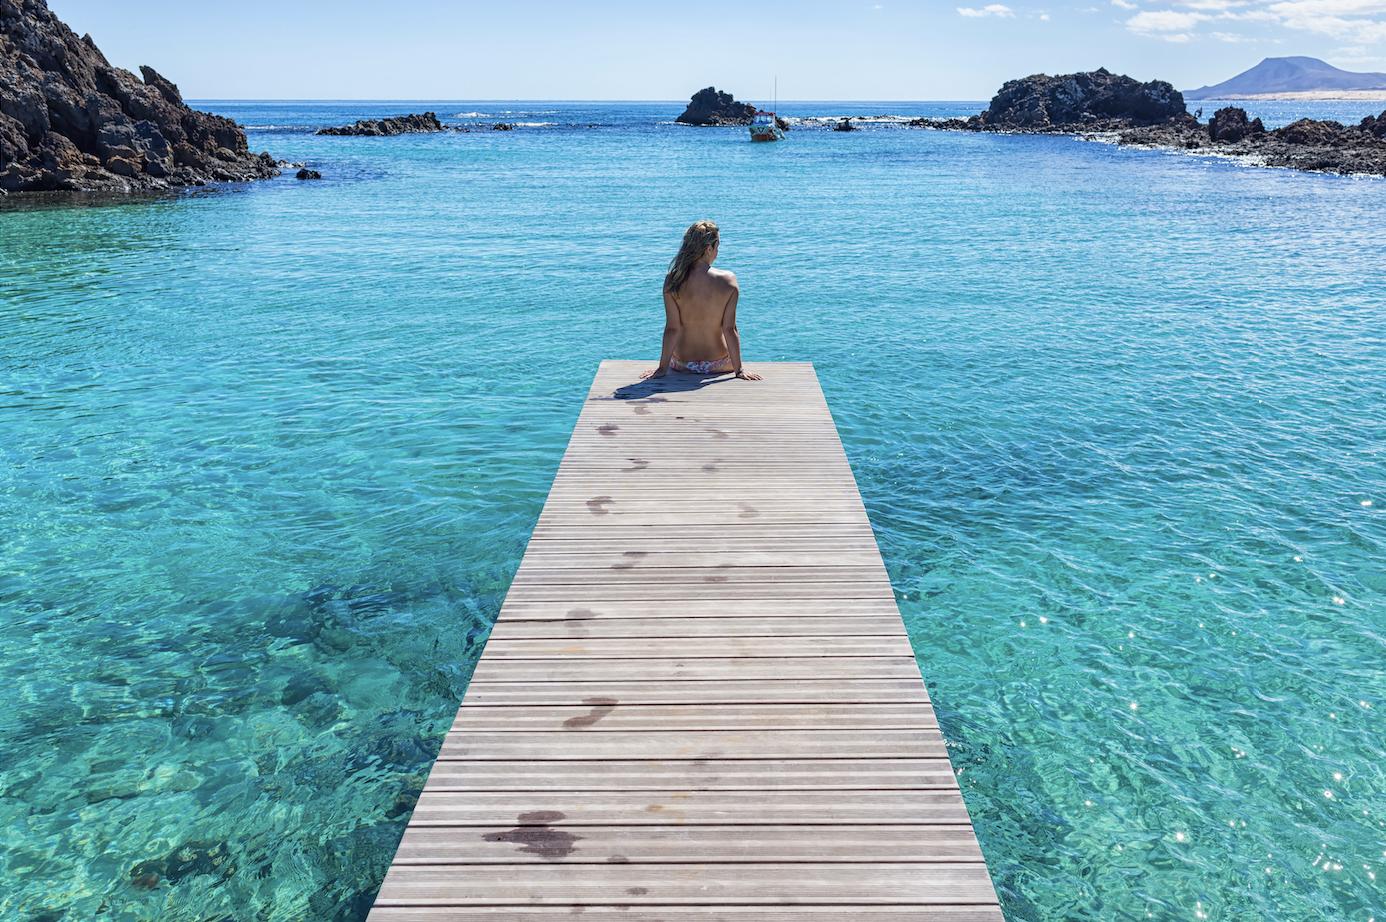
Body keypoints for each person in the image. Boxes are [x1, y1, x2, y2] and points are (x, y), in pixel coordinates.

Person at [642, 220, 761, 380]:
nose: (717, 251)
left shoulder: (673, 280)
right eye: (717, 247)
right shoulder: (728, 281)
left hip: (683, 364)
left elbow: (672, 328)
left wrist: (662, 368)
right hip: (718, 364)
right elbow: (729, 329)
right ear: (709, 248)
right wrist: (739, 370)